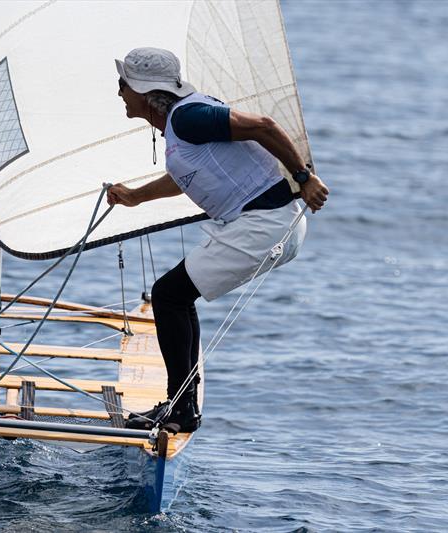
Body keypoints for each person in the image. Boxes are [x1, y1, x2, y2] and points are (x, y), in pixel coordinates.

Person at [108, 48, 329, 432]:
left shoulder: (189, 116)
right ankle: (181, 404)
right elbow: (189, 174)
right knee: (175, 295)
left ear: (145, 92)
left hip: (266, 224)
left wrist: (304, 176)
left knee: (169, 295)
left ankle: (181, 409)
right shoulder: (182, 123)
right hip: (262, 223)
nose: (119, 92)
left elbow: (262, 125)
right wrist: (135, 196)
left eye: (123, 84)